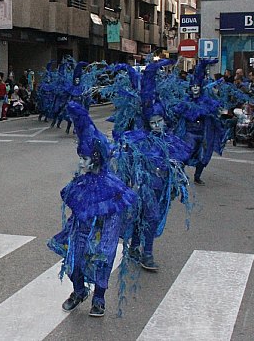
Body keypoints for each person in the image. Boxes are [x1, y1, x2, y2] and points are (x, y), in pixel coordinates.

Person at [48, 102, 137, 317]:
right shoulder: (80, 182)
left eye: (84, 159)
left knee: (102, 261)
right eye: (80, 158)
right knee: (74, 262)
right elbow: (75, 210)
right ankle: (79, 291)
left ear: (96, 159)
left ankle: (99, 298)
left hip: (103, 231)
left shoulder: (112, 187)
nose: (80, 163)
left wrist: (107, 244)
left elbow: (115, 219)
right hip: (81, 229)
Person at [116, 60, 191, 272]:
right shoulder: (139, 140)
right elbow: (126, 163)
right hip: (144, 187)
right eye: (153, 122)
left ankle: (135, 247)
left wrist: (177, 180)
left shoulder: (170, 140)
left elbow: (177, 163)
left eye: (160, 121)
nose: (158, 125)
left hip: (161, 187)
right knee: (150, 216)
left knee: (146, 218)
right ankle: (147, 253)